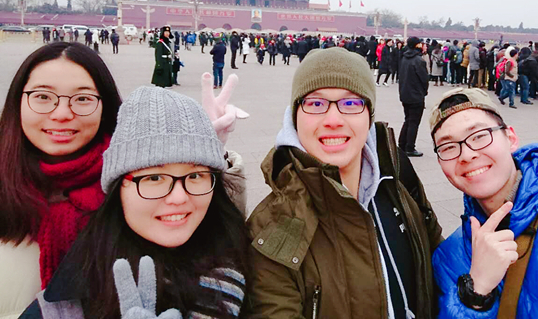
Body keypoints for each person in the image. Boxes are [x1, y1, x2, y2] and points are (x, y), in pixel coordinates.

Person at [21, 85, 251, 318]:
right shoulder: (65, 305)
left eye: (195, 175)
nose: (179, 197)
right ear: (118, 188)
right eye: (154, 178)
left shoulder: (244, 266)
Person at [247, 47, 442, 319]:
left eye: (351, 104)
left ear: (369, 116)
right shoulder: (270, 229)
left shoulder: (398, 183)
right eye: (315, 104)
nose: (333, 120)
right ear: (294, 117)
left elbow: (441, 271)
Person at [429, 87, 538, 318]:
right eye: (449, 147)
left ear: (511, 138)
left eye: (479, 136)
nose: (467, 155)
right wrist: (475, 291)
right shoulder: (448, 259)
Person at [0, 42, 121, 318]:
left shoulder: (134, 187)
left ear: (104, 106)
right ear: (18, 101)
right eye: (43, 96)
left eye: (83, 99)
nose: (62, 114)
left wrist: (194, 163)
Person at [397, 36, 428, 157]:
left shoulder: (404, 58)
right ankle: (410, 147)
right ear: (417, 45)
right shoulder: (419, 61)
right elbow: (424, 79)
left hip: (405, 93)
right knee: (414, 122)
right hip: (416, 95)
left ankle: (402, 144)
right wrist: (424, 92)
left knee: (408, 119)